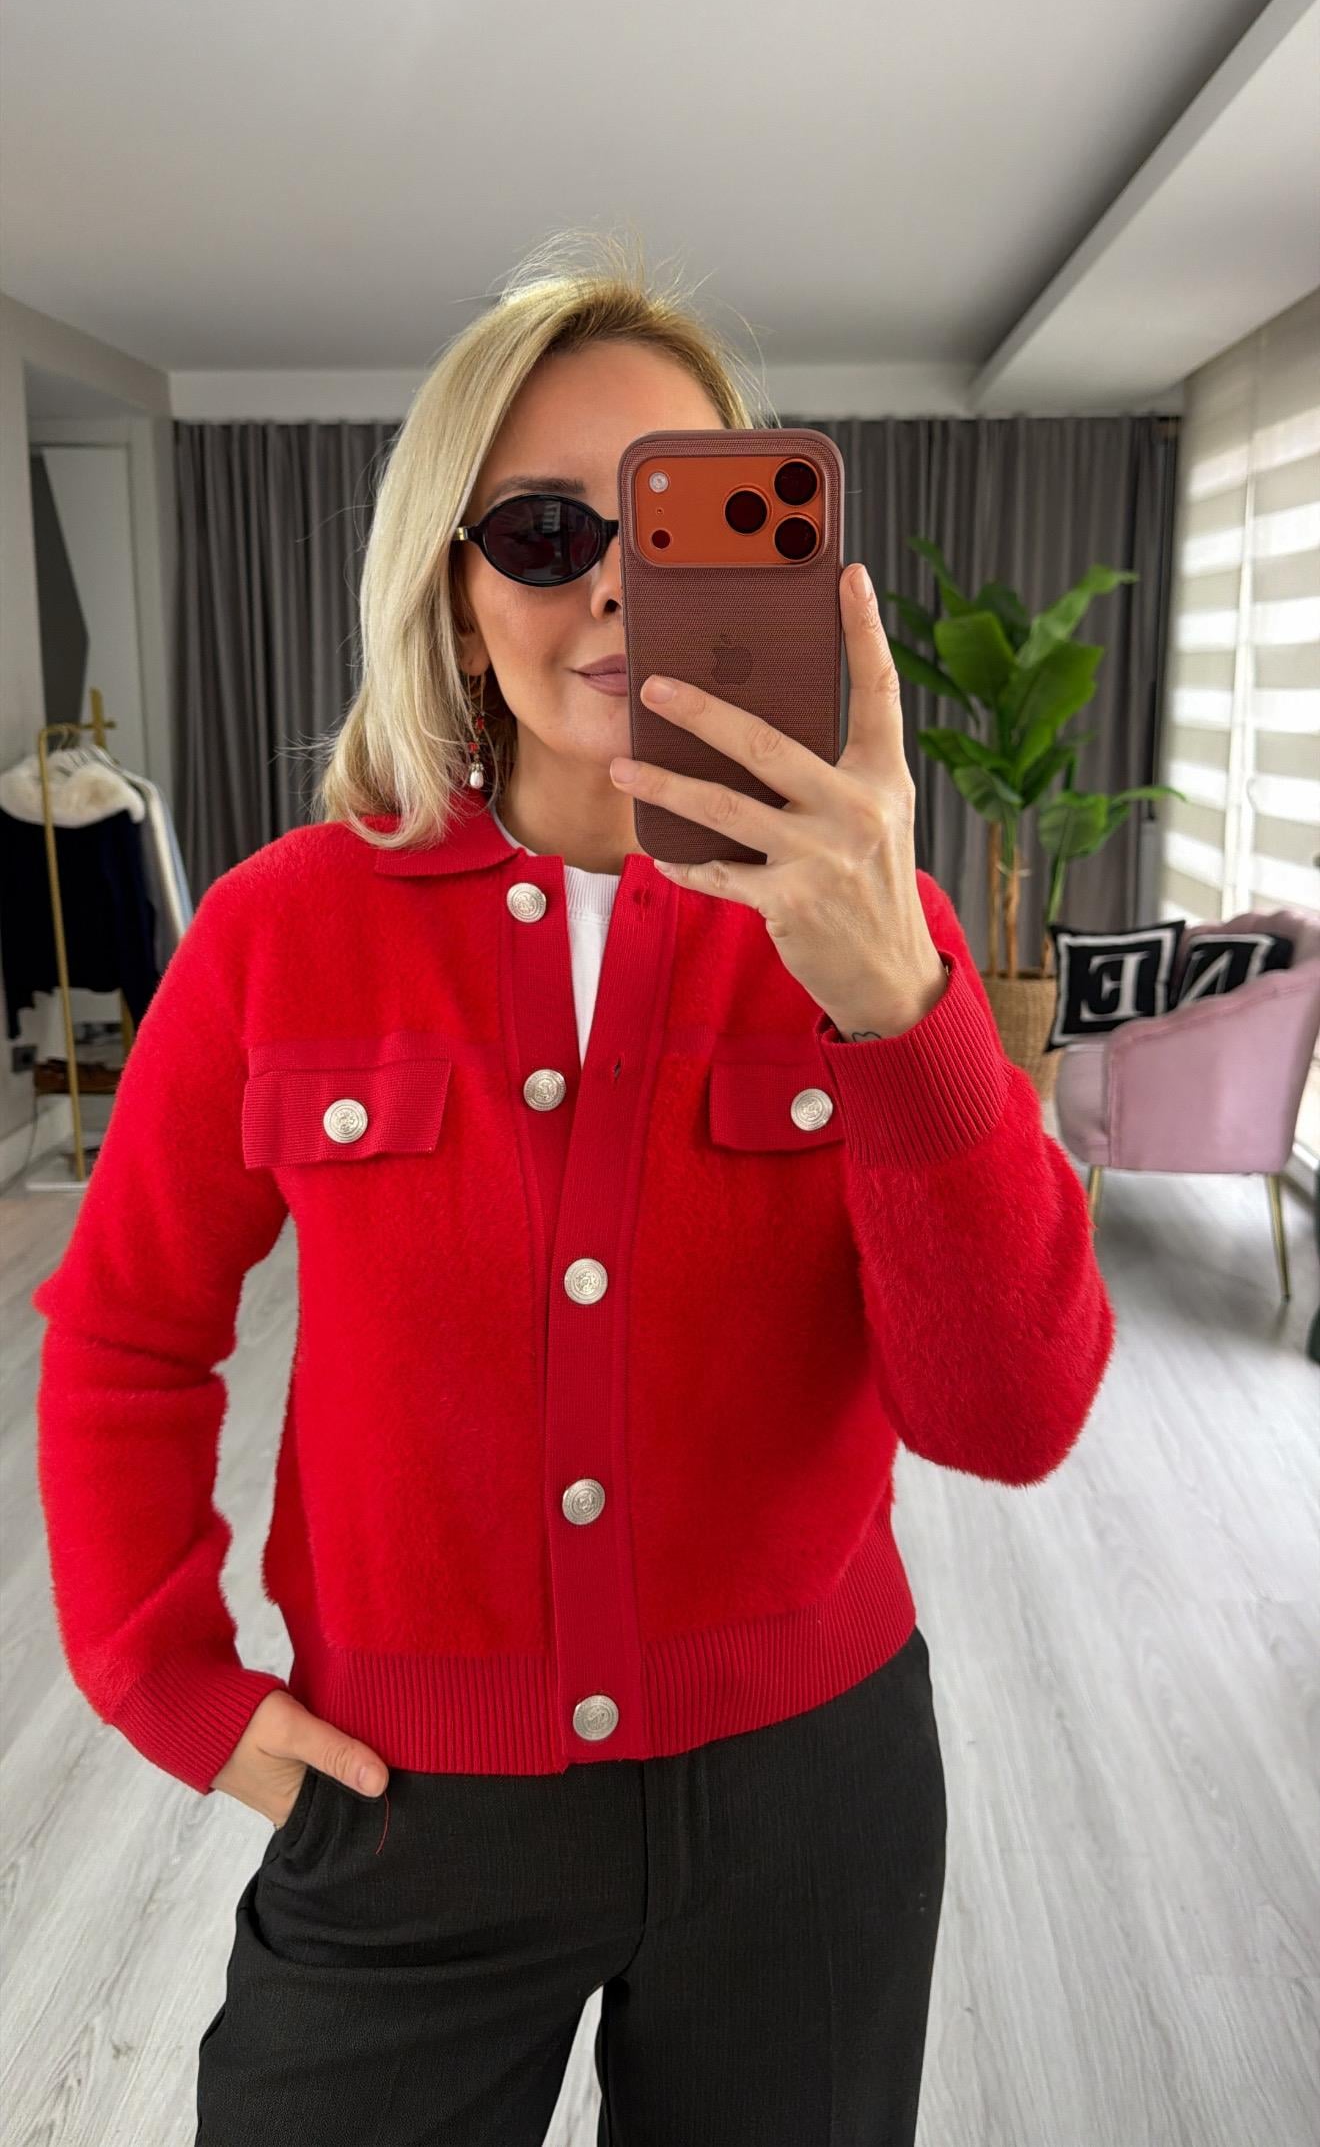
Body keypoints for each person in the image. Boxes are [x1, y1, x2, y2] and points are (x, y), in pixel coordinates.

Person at [32, 229, 1117, 2146]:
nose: (617, 581)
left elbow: (1010, 1415)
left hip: (811, 1807)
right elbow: (127, 1331)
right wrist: (166, 1675)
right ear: (459, 606)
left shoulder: (883, 935)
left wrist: (895, 998)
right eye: (545, 532)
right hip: (403, 1808)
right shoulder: (281, 932)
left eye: (684, 526)